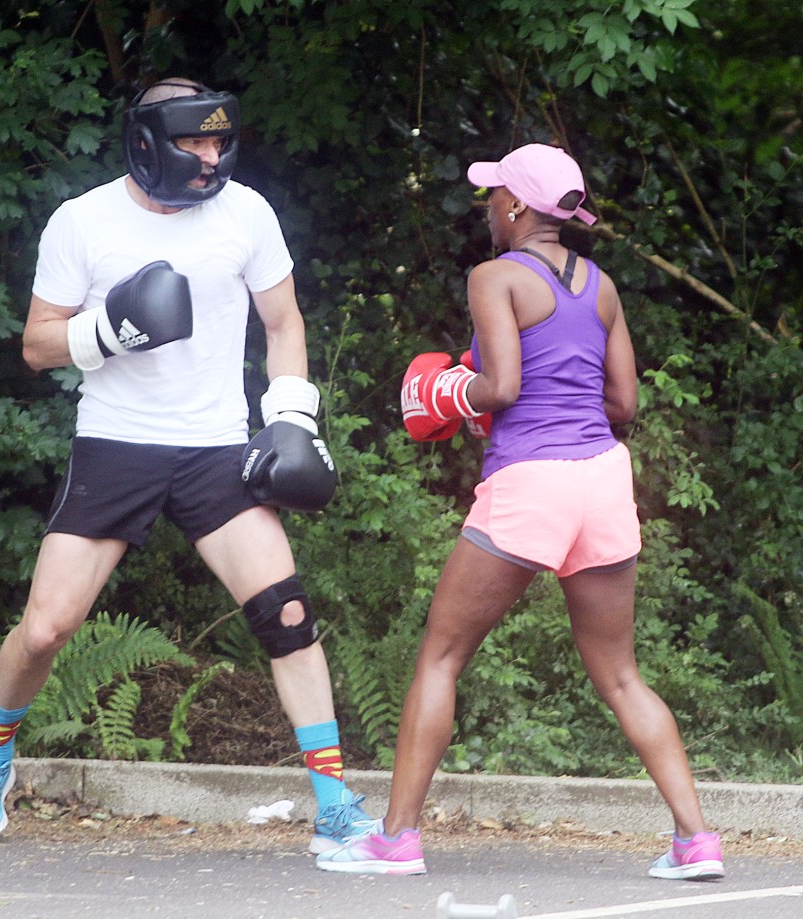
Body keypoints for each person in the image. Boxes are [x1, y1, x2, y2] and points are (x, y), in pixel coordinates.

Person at [0, 77, 376, 855]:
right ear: (149, 141)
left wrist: (289, 417)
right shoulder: (82, 222)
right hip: (116, 442)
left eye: (220, 141)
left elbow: (284, 321)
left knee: (286, 615)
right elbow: (37, 344)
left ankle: (337, 803)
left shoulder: (247, 212)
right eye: (195, 142)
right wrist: (107, 330)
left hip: (217, 446)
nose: (212, 157)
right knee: (46, 630)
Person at [316, 143, 724, 880]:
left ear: (515, 206)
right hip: (602, 477)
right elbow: (624, 403)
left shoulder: (494, 276)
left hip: (532, 479)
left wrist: (444, 395)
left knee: (440, 656)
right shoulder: (600, 285)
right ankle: (697, 841)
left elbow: (499, 386)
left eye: (493, 195)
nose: (486, 208)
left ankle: (396, 839)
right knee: (624, 675)